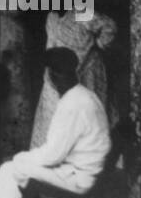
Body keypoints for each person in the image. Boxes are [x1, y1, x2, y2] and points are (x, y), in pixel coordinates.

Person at [0, 47, 111, 198]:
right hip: (88, 170)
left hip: (79, 178)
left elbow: (52, 155)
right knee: (16, 169)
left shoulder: (72, 104)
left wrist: (20, 157)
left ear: (51, 75)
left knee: (9, 170)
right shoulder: (87, 95)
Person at [29, 8, 117, 147]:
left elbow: (109, 28)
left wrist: (97, 45)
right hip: (59, 73)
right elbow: (50, 46)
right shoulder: (52, 17)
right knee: (53, 118)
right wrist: (50, 73)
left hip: (86, 74)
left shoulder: (81, 12)